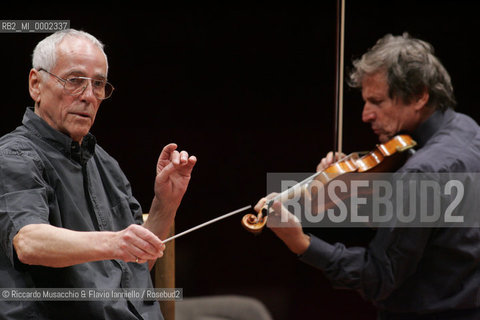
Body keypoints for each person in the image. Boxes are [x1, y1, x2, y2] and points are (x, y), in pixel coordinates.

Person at [256, 33, 480, 319]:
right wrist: (349, 192)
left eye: (376, 101)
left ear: (420, 96)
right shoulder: (468, 130)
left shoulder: (421, 171)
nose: (365, 115)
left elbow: (378, 278)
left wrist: (300, 242)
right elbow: (437, 225)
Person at [0, 29, 196, 319]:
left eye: (99, 85)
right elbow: (29, 243)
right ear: (36, 84)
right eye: (75, 81)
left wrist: (165, 202)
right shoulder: (14, 155)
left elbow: (135, 265)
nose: (89, 96)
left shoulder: (105, 163)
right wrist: (114, 242)